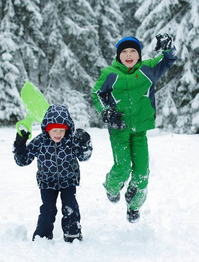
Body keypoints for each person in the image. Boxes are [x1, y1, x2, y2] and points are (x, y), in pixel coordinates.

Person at [92, 33, 177, 223]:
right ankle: (111, 187)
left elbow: (169, 59)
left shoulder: (148, 69)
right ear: (118, 55)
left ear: (139, 55)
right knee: (122, 168)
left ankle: (134, 205)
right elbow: (97, 93)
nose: (129, 55)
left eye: (133, 51)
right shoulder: (110, 74)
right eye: (124, 52)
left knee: (142, 174)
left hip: (140, 131)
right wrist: (105, 111)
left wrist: (168, 48)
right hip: (118, 129)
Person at [13, 104, 92, 242]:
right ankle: (42, 236)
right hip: (47, 182)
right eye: (54, 130)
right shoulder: (40, 142)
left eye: (61, 130)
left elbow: (84, 157)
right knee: (47, 210)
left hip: (68, 180)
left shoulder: (71, 141)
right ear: (47, 129)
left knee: (70, 207)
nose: (58, 134)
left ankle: (72, 233)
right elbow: (23, 160)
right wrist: (20, 145)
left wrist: (85, 144)